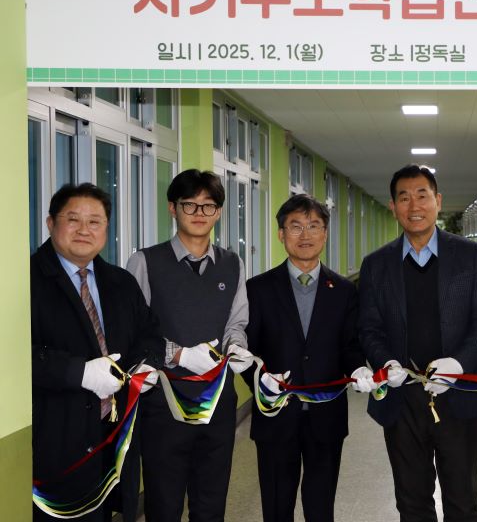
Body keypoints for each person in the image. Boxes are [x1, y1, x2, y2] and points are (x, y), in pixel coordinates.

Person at [358, 164, 477, 522]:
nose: (414, 205)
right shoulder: (376, 265)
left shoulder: (469, 255)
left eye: (422, 195)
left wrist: (459, 364)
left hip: (459, 397)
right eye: (404, 197)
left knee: (462, 503)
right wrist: (386, 362)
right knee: (412, 503)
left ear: (438, 200)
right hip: (401, 400)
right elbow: (369, 328)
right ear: (393, 206)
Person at [31, 183, 164, 522]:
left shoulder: (121, 282)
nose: (84, 230)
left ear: (106, 228)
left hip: (114, 438)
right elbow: (16, 353)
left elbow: (150, 334)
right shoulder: (24, 280)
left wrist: (145, 366)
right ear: (50, 223)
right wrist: (79, 372)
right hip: (56, 441)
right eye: (73, 219)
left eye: (95, 221)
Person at [126, 169, 253, 522]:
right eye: (189, 205)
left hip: (218, 404)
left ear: (219, 212)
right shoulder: (145, 262)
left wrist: (236, 347)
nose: (199, 213)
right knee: (163, 506)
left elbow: (236, 323)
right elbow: (134, 333)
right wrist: (178, 354)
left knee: (211, 504)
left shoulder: (232, 263)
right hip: (163, 406)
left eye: (208, 205)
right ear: (172, 208)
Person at [243, 194, 378, 522]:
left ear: (325, 234)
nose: (305, 235)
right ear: (281, 234)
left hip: (326, 419)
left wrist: (359, 368)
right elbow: (246, 351)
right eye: (296, 227)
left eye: (314, 226)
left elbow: (350, 346)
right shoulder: (257, 289)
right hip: (276, 418)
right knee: (277, 508)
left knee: (321, 509)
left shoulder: (344, 291)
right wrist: (260, 383)